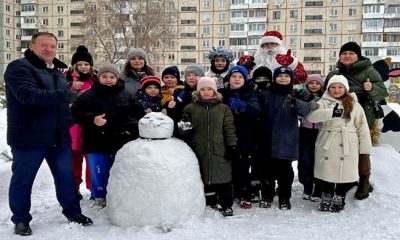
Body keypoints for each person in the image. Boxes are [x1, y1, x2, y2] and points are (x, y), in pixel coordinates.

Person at [4, 32, 93, 236]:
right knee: (23, 181)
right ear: (32, 46)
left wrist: (75, 117)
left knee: (66, 179)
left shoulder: (57, 72)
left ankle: (73, 213)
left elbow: (61, 106)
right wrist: (67, 93)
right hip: (29, 138)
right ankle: (21, 220)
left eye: (52, 46)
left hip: (58, 136)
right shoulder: (19, 67)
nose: (49, 49)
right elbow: (28, 96)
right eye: (44, 45)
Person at [71, 63, 140, 209]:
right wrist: (92, 119)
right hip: (95, 141)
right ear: (99, 77)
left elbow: (135, 115)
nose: (108, 80)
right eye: (104, 76)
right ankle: (99, 196)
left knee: (119, 170)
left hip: (119, 141)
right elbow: (75, 112)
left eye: (112, 77)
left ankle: (118, 196)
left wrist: (129, 129)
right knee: (99, 171)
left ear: (116, 78)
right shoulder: (88, 95)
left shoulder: (126, 94)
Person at [324, 42, 388, 200]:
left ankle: (364, 181)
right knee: (342, 148)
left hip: (363, 116)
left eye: (351, 53)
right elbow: (324, 93)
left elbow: (382, 94)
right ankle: (346, 179)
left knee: (361, 148)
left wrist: (370, 88)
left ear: (358, 56)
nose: (347, 56)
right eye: (344, 53)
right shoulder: (334, 74)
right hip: (339, 118)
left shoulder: (369, 71)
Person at [307, 75, 372, 212]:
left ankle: (340, 196)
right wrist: (331, 112)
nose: (336, 90)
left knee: (345, 172)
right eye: (333, 87)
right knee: (327, 171)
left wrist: (365, 149)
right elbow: (311, 117)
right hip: (327, 140)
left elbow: (363, 127)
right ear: (328, 88)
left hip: (348, 141)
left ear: (346, 89)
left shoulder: (354, 103)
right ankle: (327, 195)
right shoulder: (323, 102)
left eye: (340, 87)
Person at [178, 77, 237, 217]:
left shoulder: (223, 108)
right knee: (204, 179)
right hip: (199, 150)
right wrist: (184, 125)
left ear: (214, 91)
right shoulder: (190, 108)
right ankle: (210, 202)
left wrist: (231, 145)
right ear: (197, 92)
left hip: (220, 150)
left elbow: (229, 129)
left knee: (223, 179)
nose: (206, 92)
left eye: (209, 89)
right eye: (202, 89)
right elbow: (183, 131)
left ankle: (227, 205)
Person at [258, 66, 315, 210]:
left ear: (291, 79)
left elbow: (305, 111)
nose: (283, 78)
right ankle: (267, 195)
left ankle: (284, 197)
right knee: (267, 171)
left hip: (287, 140)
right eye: (279, 76)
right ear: (274, 78)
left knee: (285, 172)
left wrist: (297, 102)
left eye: (286, 76)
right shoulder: (266, 94)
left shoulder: (294, 95)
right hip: (267, 139)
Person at [221, 65, 260, 209]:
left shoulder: (249, 93)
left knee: (243, 165)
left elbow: (255, 109)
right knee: (226, 163)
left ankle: (244, 193)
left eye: (240, 77)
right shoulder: (222, 93)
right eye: (234, 76)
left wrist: (242, 106)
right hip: (224, 134)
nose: (236, 79)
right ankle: (228, 191)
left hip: (244, 135)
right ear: (228, 78)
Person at [65, 45, 96, 199]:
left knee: (91, 158)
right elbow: (60, 97)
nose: (84, 67)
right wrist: (72, 89)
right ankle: (74, 188)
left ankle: (93, 189)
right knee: (74, 158)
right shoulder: (66, 79)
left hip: (91, 125)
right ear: (74, 65)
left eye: (86, 64)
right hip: (73, 126)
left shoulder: (95, 79)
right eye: (80, 64)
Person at [298, 74, 324, 202]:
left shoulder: (325, 98)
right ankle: (307, 186)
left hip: (320, 132)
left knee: (318, 160)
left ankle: (318, 188)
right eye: (311, 83)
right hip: (305, 131)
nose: (314, 85)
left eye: (317, 83)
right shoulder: (302, 96)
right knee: (305, 160)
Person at [167, 64, 205, 139]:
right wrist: (170, 107)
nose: (191, 78)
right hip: (182, 133)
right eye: (188, 75)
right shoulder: (180, 92)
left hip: (201, 132)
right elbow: (175, 114)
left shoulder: (205, 91)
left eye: (195, 75)